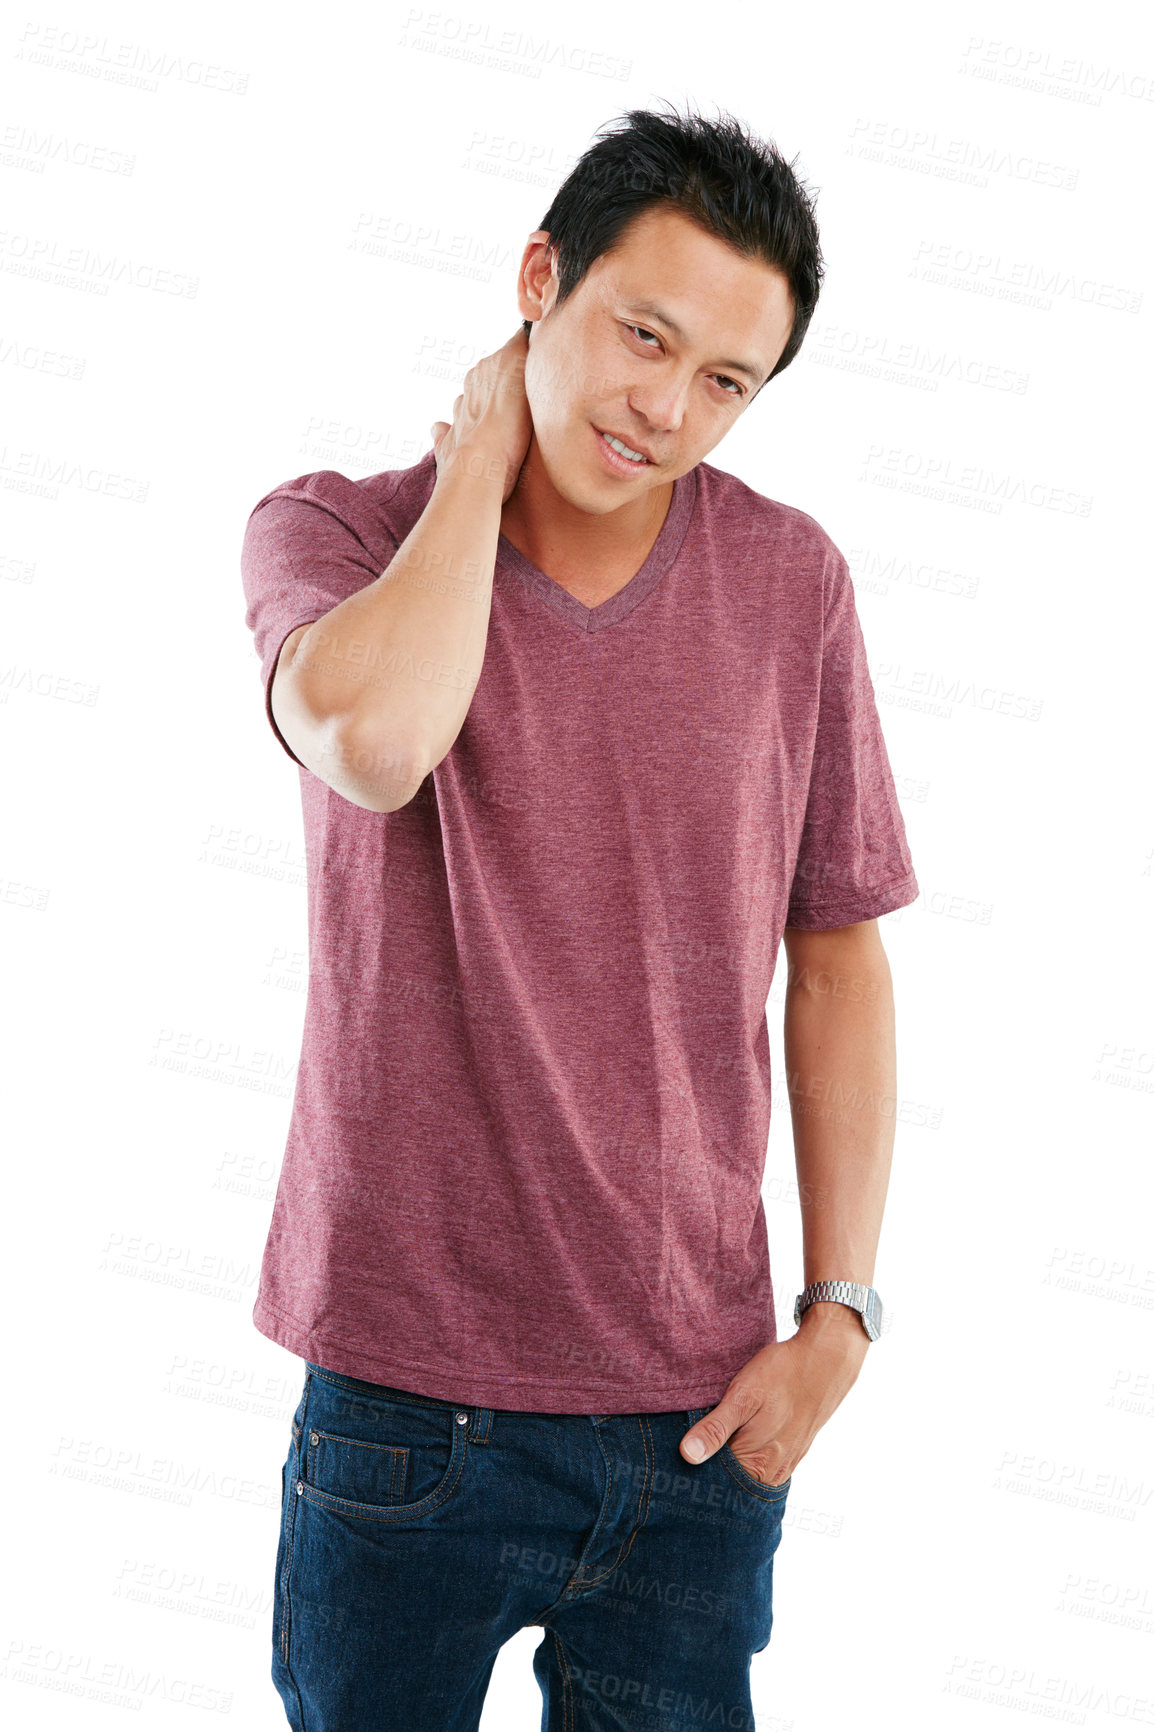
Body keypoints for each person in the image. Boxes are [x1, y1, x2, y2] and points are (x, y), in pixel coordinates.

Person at [241, 100, 919, 1732]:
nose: (668, 408)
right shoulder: (334, 536)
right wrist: (478, 459)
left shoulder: (790, 584)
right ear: (538, 277)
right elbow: (380, 742)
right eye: (643, 335)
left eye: (724, 383)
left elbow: (834, 957)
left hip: (696, 1415)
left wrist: (839, 1319)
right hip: (403, 1406)